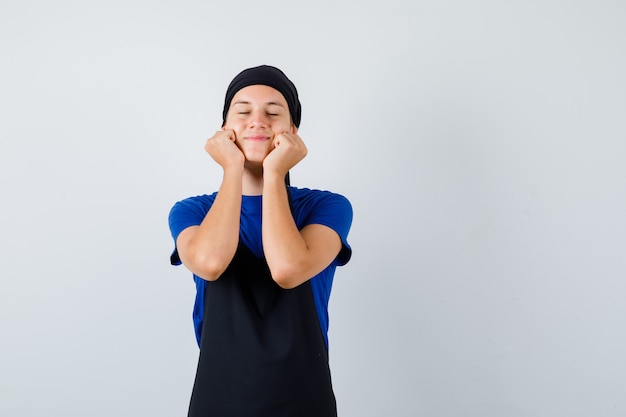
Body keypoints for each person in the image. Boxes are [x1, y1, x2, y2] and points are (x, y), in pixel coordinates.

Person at [168, 65, 353, 417]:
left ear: (293, 132)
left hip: (304, 402)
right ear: (224, 131)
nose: (257, 121)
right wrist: (232, 169)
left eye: (272, 113)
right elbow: (209, 263)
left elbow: (287, 269)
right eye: (243, 112)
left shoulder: (325, 207)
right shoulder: (192, 211)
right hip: (217, 401)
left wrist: (274, 172)